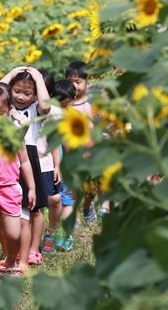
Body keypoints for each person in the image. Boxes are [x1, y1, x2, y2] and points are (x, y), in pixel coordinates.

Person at [0, 82, 36, 286]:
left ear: (9, 110)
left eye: (0, 113)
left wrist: (32, 188)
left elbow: (26, 162)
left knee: (14, 233)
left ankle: (11, 259)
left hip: (10, 188)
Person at [0, 66, 50, 270]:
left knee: (29, 211)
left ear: (35, 94)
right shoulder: (5, 107)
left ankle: (29, 252)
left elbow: (46, 105)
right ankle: (11, 254)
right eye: (16, 91)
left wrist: (38, 78)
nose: (20, 97)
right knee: (6, 212)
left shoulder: (35, 109)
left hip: (28, 158)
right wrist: (11, 73)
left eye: (27, 93)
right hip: (6, 159)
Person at [39, 79, 77, 253]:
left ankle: (60, 235)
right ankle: (62, 235)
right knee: (64, 201)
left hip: (62, 166)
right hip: (58, 165)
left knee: (65, 200)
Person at [66, 61, 97, 224]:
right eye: (70, 82)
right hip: (72, 152)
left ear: (87, 82)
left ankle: (87, 205)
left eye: (78, 82)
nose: (74, 86)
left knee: (91, 187)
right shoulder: (66, 104)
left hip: (91, 150)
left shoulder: (91, 102)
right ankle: (75, 215)